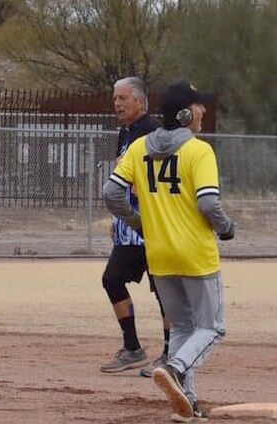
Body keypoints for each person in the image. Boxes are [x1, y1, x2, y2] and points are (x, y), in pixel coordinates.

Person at [104, 81, 234, 423]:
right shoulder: (198, 151)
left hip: (158, 254)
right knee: (213, 327)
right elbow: (208, 202)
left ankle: (185, 404)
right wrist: (226, 227)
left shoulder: (140, 147)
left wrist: (138, 223)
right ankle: (175, 368)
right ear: (185, 113)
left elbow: (111, 194)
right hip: (195, 255)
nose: (204, 111)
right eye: (199, 106)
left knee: (181, 328)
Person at [99, 76, 171, 377]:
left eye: (123, 98)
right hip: (129, 228)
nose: (117, 103)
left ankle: (172, 353)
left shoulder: (154, 133)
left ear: (140, 101)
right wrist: (118, 220)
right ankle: (133, 348)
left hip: (154, 227)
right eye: (115, 98)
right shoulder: (126, 132)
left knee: (166, 290)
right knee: (112, 279)